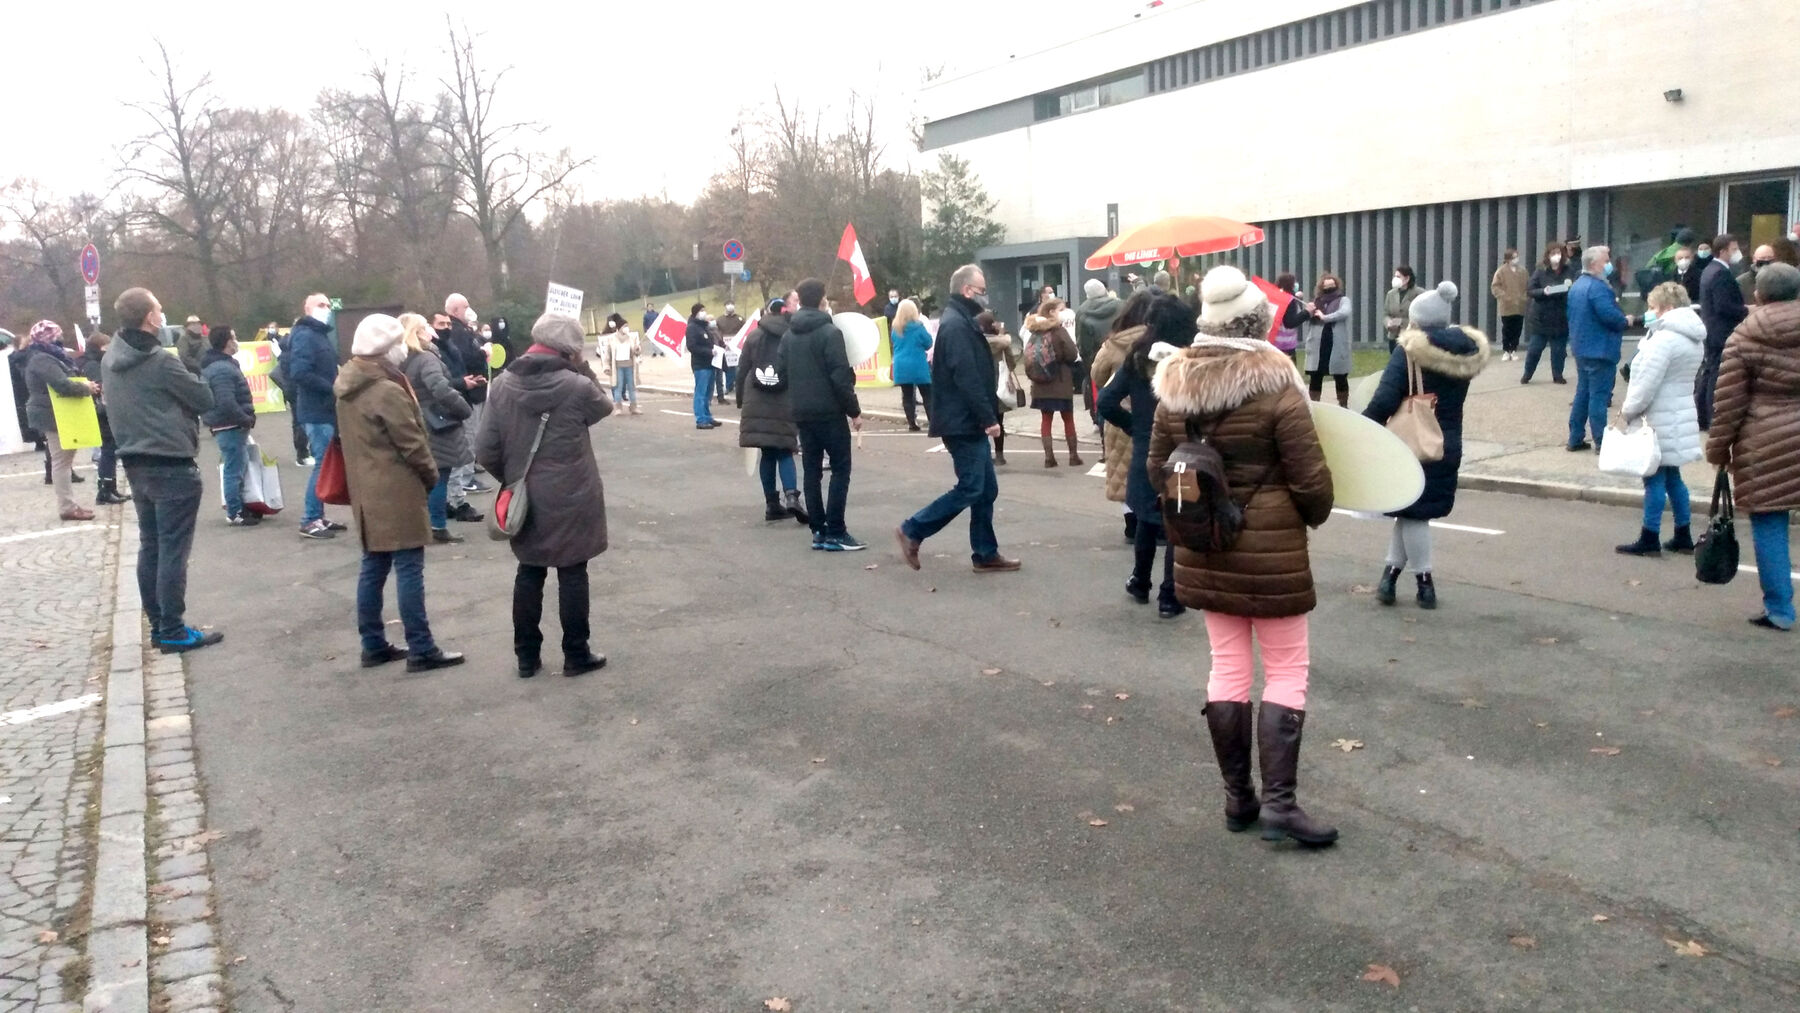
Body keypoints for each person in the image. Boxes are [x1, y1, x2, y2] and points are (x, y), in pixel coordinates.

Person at [1147, 269, 1336, 846]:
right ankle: (1280, 804)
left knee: (1227, 667)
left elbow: (1158, 472)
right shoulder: (1278, 387)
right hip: (1273, 553)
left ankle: (1238, 798)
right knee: (1286, 670)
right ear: (1257, 324)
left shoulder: (1174, 388)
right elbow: (1312, 485)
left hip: (1205, 547)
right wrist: (1306, 513)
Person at [478, 314, 613, 676]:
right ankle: (576, 654)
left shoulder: (502, 385)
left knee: (529, 570)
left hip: (527, 495)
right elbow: (604, 406)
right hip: (574, 492)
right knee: (573, 572)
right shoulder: (577, 386)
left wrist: (514, 480)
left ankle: (526, 657)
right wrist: (583, 366)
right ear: (570, 349)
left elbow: (486, 448)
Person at [332, 314, 464, 672]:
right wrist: (430, 476)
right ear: (387, 349)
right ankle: (422, 647)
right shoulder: (387, 391)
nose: (403, 350)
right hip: (397, 489)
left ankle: (373, 644)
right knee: (409, 568)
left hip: (366, 490)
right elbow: (413, 445)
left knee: (373, 567)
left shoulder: (347, 387)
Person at [104, 287, 222, 654]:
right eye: (158, 308)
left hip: (135, 462)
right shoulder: (160, 361)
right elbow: (204, 398)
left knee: (151, 546)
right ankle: (172, 629)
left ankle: (158, 625)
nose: (162, 312)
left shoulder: (111, 357)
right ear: (150, 318)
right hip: (171, 463)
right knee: (172, 551)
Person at [1362, 281, 1490, 609]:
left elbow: (1385, 399)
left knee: (1414, 516)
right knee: (1410, 513)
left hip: (1412, 442)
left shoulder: (1410, 351)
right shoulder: (1464, 352)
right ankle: (1389, 577)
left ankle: (1425, 583)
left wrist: (1362, 429)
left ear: (1416, 320)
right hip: (1446, 440)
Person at [894, 265, 1021, 575]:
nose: (985, 296)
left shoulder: (961, 321)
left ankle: (985, 553)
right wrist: (988, 418)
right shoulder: (957, 326)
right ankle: (913, 529)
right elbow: (967, 377)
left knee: (985, 489)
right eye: (981, 290)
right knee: (971, 487)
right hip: (962, 421)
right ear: (967, 291)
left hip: (963, 418)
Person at [1706, 262, 1800, 631]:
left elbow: (1729, 403)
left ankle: (1780, 609)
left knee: (1769, 522)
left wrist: (1718, 450)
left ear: (1758, 294)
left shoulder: (1745, 336)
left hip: (1764, 441)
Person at [1099, 291, 1196, 618]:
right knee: (1177, 524)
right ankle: (1170, 595)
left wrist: (1134, 427)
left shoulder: (1137, 358)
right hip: (1184, 454)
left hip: (1145, 449)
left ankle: (1140, 581)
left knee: (1145, 517)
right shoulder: (1191, 363)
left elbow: (1105, 401)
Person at [1614, 283, 1704, 557]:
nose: (1649, 311)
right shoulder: (1693, 336)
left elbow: (1645, 385)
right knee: (1673, 477)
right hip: (1679, 412)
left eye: (1653, 307)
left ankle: (1650, 536)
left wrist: (1626, 412)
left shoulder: (1663, 340)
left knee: (1652, 478)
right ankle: (1683, 534)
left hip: (1657, 416)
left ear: (1667, 308)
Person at [777, 278, 866, 551]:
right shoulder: (830, 333)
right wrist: (854, 411)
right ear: (822, 300)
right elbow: (840, 378)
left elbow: (781, 374)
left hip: (802, 412)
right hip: (830, 412)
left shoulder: (788, 335)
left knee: (812, 471)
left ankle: (818, 530)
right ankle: (837, 531)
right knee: (840, 470)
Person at [398, 313, 475, 545]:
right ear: (417, 332)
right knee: (440, 475)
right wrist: (463, 408)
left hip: (413, 419)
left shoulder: (400, 359)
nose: (430, 331)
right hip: (437, 422)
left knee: (422, 476)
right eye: (424, 327)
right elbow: (440, 388)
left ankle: (419, 523)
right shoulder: (426, 358)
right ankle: (437, 526)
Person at [1090, 290, 1155, 541]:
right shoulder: (1158, 340)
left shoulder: (1113, 343)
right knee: (1150, 466)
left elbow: (1097, 375)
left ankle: (1131, 522)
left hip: (1120, 415)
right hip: (1150, 413)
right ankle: (1153, 517)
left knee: (1122, 469)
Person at [738, 295, 806, 524]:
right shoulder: (792, 335)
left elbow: (742, 369)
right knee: (785, 450)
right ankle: (792, 496)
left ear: (767, 312)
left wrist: (741, 401)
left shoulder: (754, 336)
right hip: (784, 399)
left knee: (767, 453)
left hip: (756, 400)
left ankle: (771, 504)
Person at [21, 320, 98, 520]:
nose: (61, 337)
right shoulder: (42, 359)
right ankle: (67, 507)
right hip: (52, 413)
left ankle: (69, 504)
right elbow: (61, 384)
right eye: (58, 334)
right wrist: (85, 388)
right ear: (49, 337)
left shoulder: (45, 356)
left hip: (57, 412)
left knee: (64, 460)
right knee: (61, 461)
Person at [288, 293, 348, 539]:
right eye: (320, 305)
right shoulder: (305, 335)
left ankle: (318, 516)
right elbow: (300, 372)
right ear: (307, 308)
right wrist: (332, 387)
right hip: (316, 411)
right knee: (322, 465)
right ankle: (310, 519)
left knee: (325, 464)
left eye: (327, 305)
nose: (326, 308)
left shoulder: (320, 335)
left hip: (325, 410)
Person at [1566, 246, 1637, 452]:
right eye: (1606, 261)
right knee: (1598, 396)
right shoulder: (1598, 288)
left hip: (1582, 347)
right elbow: (1609, 316)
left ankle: (1575, 437)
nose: (1609, 264)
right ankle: (1601, 441)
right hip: (1600, 349)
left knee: (1583, 394)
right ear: (1595, 264)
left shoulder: (1578, 285)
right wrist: (1626, 320)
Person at [199, 326, 260, 526]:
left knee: (237, 465)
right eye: (234, 337)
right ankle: (235, 512)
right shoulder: (222, 369)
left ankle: (239, 507)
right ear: (227, 342)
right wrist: (245, 418)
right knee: (234, 469)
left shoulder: (219, 366)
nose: (236, 341)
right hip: (229, 425)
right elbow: (226, 401)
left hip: (228, 424)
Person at [430, 311, 484, 523]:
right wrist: (462, 384)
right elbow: (439, 385)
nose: (446, 327)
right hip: (444, 411)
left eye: (448, 324)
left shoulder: (448, 346)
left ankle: (452, 501)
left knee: (455, 459)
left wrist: (468, 381)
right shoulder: (430, 354)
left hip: (456, 402)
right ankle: (454, 503)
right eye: (441, 324)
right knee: (451, 461)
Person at [1695, 233, 1750, 430]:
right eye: (1734, 249)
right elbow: (1723, 305)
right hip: (1721, 332)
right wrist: (1747, 310)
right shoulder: (1720, 273)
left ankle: (1702, 415)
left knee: (1709, 372)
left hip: (1711, 330)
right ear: (1723, 251)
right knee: (1716, 375)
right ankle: (1712, 417)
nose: (1737, 253)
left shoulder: (1710, 270)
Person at [1023, 295, 1082, 467]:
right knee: (1068, 418)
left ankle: (1049, 458)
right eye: (1060, 310)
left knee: (1046, 420)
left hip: (1040, 382)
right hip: (1061, 380)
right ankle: (1073, 456)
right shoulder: (1059, 331)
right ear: (1051, 312)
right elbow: (1072, 354)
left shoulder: (1034, 331)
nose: (1063, 313)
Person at [78, 330, 130, 506]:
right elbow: (100, 385)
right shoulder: (93, 364)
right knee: (108, 450)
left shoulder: (92, 361)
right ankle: (105, 489)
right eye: (107, 346)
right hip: (102, 411)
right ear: (101, 347)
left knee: (111, 449)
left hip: (102, 409)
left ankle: (110, 487)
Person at [1521, 241, 1577, 384]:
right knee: (1535, 349)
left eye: (1558, 253)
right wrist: (1543, 291)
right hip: (1541, 318)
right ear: (1548, 255)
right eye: (1553, 253)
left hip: (1560, 318)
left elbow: (1575, 287)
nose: (1556, 256)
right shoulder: (1540, 271)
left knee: (1559, 351)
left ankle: (1557, 375)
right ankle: (1527, 373)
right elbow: (1530, 290)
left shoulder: (1569, 270)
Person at [1075, 278, 1125, 423]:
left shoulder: (1082, 311)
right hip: (1121, 353)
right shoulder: (1121, 305)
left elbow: (1082, 342)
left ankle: (1102, 423)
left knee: (1101, 394)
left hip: (1097, 358)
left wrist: (1089, 364)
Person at [1300, 272, 1352, 405]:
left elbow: (1344, 312)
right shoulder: (1316, 302)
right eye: (1326, 286)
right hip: (1317, 344)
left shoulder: (1343, 300)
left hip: (1335, 343)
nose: (1330, 289)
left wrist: (1325, 317)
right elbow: (1305, 318)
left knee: (1340, 375)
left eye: (1332, 285)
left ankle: (1343, 405)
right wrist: (1308, 310)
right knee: (1315, 376)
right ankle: (1314, 405)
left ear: (1337, 285)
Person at [977, 311, 1019, 466]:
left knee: (981, 421)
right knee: (999, 421)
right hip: (999, 383)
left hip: (981, 383)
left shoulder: (976, 342)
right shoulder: (1003, 343)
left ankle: (983, 454)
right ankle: (1000, 455)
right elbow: (1012, 363)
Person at [891, 298, 933, 431]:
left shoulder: (895, 328)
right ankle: (933, 421)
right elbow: (928, 343)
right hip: (917, 364)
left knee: (907, 395)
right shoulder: (918, 326)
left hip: (901, 365)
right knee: (927, 394)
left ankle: (911, 423)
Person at [685, 302, 719, 429]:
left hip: (710, 363)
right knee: (701, 393)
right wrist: (709, 352)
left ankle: (707, 416)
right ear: (696, 313)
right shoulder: (692, 328)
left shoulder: (704, 327)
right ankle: (700, 419)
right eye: (702, 310)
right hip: (700, 365)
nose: (704, 313)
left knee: (708, 393)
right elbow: (692, 346)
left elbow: (710, 342)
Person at [1490, 248, 1528, 361]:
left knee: (1517, 328)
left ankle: (1514, 349)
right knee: (1507, 328)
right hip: (1506, 306)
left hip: (1520, 305)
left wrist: (1524, 297)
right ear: (1507, 259)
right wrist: (1504, 296)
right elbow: (1495, 287)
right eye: (1513, 257)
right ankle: (1506, 350)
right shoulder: (1501, 271)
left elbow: (1528, 285)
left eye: (1517, 257)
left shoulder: (1523, 271)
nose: (1516, 259)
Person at [602, 313, 641, 415]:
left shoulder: (632, 338)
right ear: (619, 328)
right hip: (618, 367)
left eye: (627, 326)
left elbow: (636, 352)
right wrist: (606, 366)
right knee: (618, 387)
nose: (626, 328)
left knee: (632, 387)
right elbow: (607, 355)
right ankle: (618, 408)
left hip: (630, 366)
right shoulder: (611, 339)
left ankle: (633, 407)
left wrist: (637, 350)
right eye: (624, 326)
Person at [1382, 266, 1424, 351]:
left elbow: (1423, 317)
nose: (1395, 279)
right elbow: (1386, 314)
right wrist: (1388, 323)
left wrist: (1402, 322)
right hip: (1394, 337)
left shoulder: (1419, 294)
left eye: (1398, 277)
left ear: (1407, 278)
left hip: (1412, 337)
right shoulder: (1391, 294)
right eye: (1395, 276)